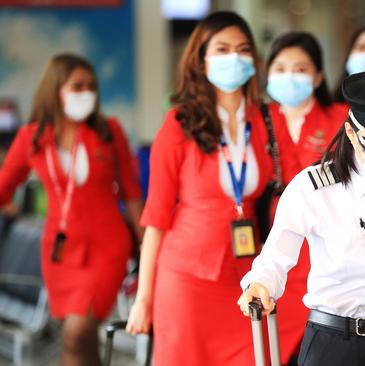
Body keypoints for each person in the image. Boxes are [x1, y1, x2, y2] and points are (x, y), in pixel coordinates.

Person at [238, 71, 365, 366]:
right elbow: (275, 257)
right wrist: (259, 284)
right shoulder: (313, 187)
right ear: (353, 135)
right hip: (337, 343)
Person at [125, 11, 273, 365]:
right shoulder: (180, 123)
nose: (233, 58)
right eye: (221, 49)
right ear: (201, 60)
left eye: (242, 49)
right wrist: (144, 298)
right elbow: (156, 218)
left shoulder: (265, 120)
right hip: (187, 276)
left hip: (246, 275)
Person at [0, 53, 143, 366]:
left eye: (91, 86)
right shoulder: (33, 137)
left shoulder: (109, 131)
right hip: (61, 253)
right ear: (55, 89)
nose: (86, 92)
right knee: (81, 341)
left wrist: (146, 245)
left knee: (75, 333)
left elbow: (132, 193)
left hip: (108, 247)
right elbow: (4, 186)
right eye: (77, 86)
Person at [264, 31, 348, 363]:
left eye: (300, 69)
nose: (289, 76)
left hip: (324, 253)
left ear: (318, 76)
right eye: (280, 67)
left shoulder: (341, 120)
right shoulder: (257, 120)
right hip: (269, 251)